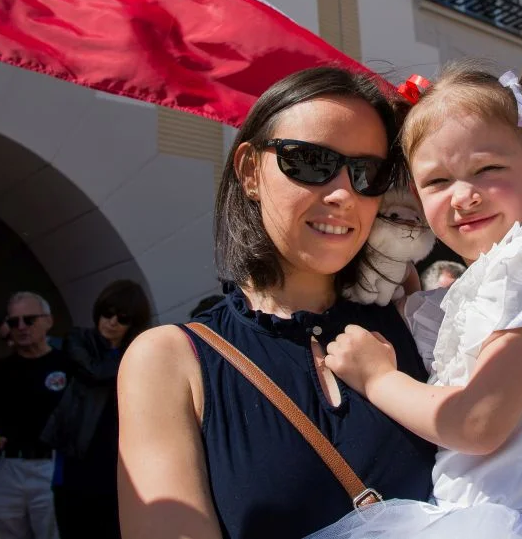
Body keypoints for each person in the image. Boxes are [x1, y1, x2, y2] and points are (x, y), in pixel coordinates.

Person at [116, 67, 439, 539]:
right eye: (310, 161)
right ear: (249, 171)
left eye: (368, 173)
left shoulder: (417, 319)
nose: (342, 194)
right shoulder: (169, 360)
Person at [310, 59, 522, 538]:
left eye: (487, 169)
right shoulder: (493, 278)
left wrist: (377, 377)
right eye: (437, 181)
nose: (463, 196)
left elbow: (476, 422)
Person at [44, 280, 152, 539]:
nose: (112, 322)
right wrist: (139, 361)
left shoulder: (135, 351)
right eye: (108, 313)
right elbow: (93, 371)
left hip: (118, 462)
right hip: (77, 460)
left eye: (123, 317)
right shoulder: (79, 339)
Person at [0, 292, 69, 539]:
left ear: (48, 320)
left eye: (29, 319)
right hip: (6, 467)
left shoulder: (69, 366)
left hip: (53, 466)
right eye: (14, 322)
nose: (21, 327)